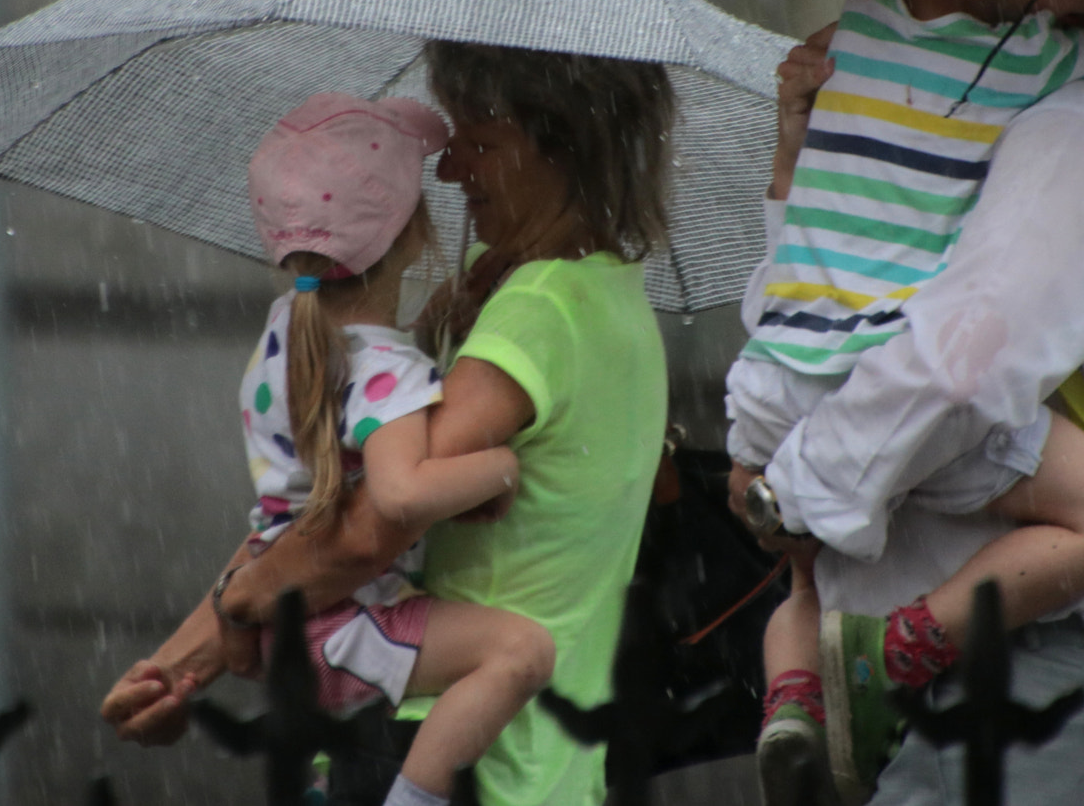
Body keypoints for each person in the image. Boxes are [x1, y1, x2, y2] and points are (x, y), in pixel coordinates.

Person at [104, 44, 675, 806]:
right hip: (541, 761)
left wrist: (231, 607)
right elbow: (332, 508)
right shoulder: (595, 292)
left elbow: (367, 526)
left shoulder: (540, 311)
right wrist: (176, 667)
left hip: (461, 752)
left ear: (561, 147)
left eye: (480, 142)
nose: (449, 172)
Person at [729, 0, 1084, 798]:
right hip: (878, 412)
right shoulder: (1033, 72)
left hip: (783, 366)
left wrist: (784, 477)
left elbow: (798, 259)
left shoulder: (857, 27)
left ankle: (796, 696)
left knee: (804, 581)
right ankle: (888, 655)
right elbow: (961, 366)